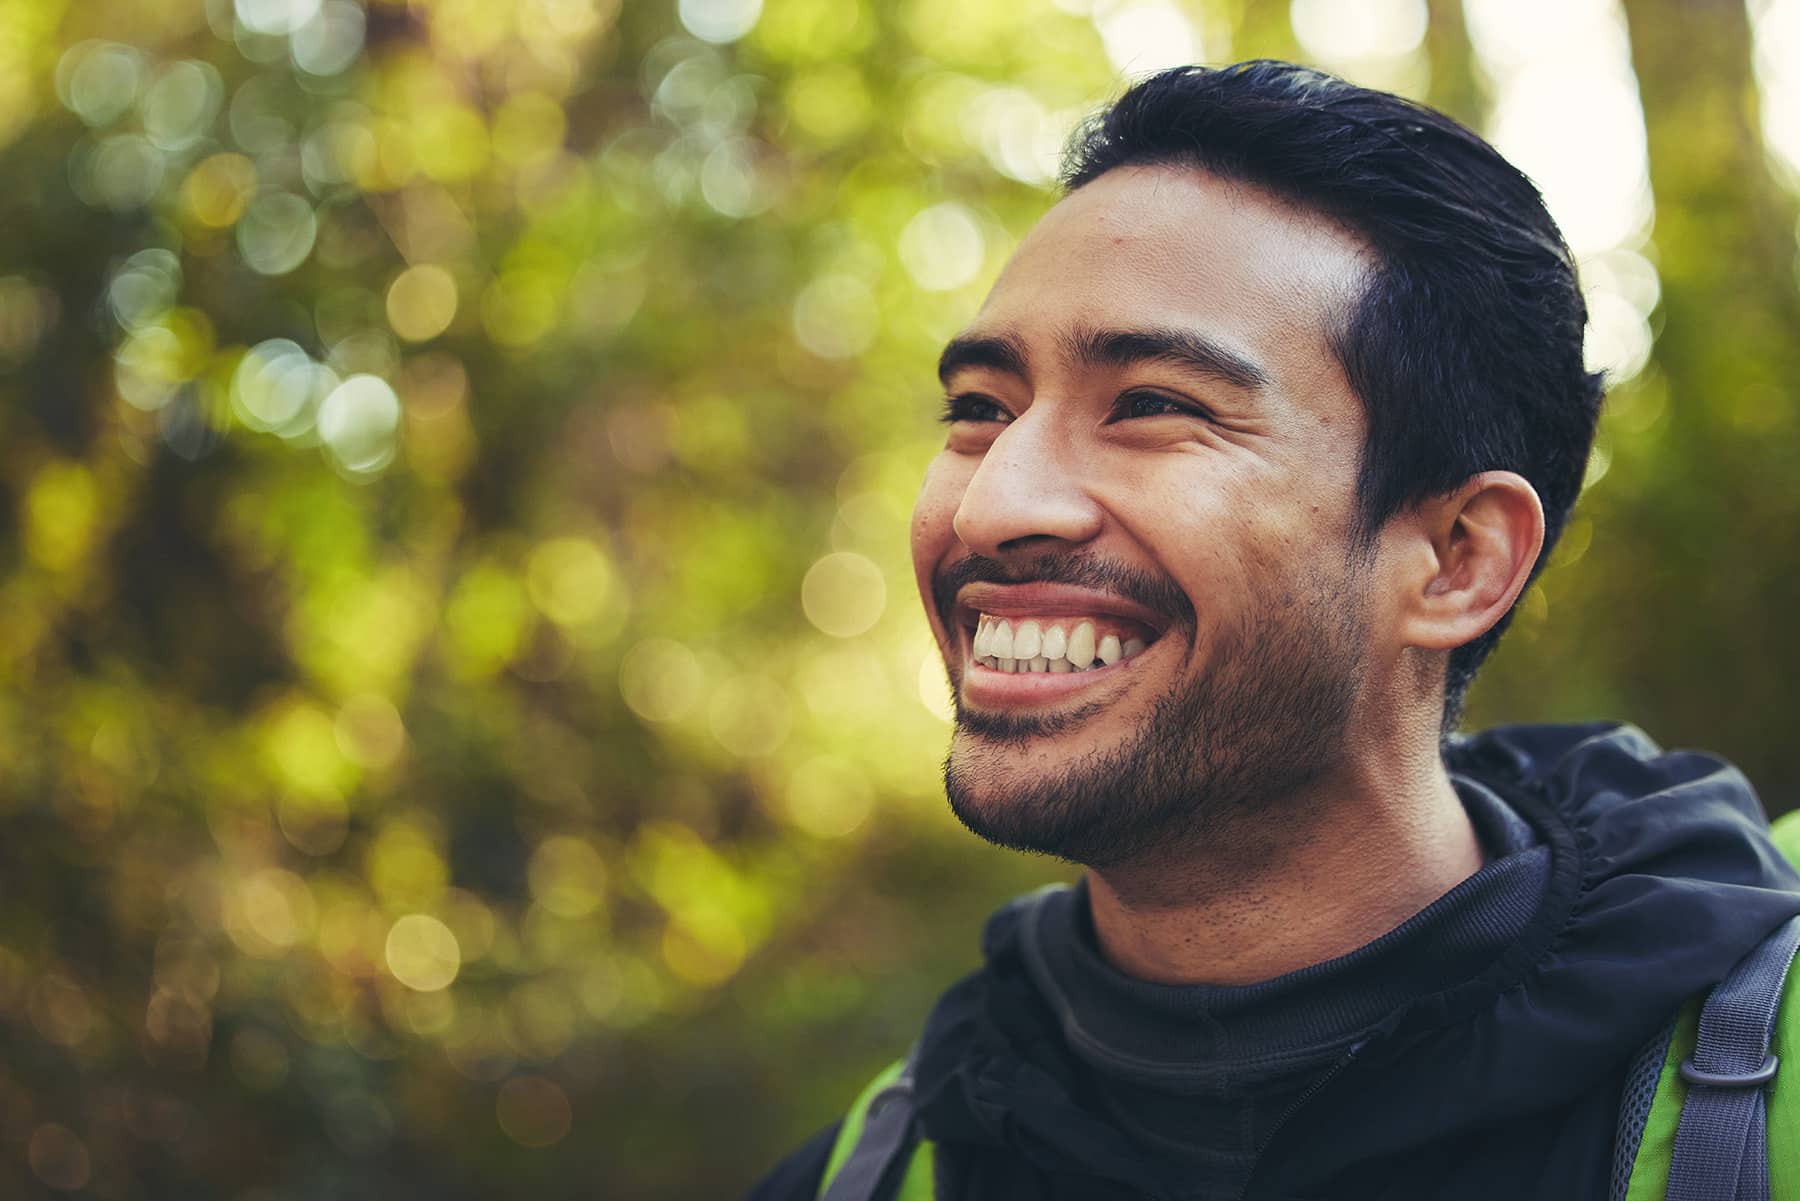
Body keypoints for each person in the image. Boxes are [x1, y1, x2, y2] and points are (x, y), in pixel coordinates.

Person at [748, 60, 1800, 1201]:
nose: (994, 503)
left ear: (1457, 560)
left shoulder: (1759, 1094)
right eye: (979, 411)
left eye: (1152, 404)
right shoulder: (876, 1166)